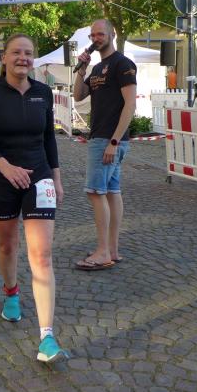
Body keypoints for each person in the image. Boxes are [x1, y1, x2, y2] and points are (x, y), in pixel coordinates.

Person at [0, 33, 69, 363]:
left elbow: (49, 139)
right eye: (16, 52)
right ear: (4, 57)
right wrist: (6, 167)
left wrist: (56, 178)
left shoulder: (43, 93)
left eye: (28, 53)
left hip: (39, 178)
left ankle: (47, 337)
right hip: (1, 179)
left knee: (41, 255)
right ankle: (11, 292)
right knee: (8, 245)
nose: (22, 58)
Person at [72, 19, 137, 271]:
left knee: (95, 192)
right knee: (111, 192)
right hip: (101, 137)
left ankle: (102, 252)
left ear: (112, 34)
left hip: (107, 140)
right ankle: (112, 249)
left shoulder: (122, 64)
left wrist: (114, 141)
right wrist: (81, 69)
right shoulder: (98, 67)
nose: (96, 38)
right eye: (93, 35)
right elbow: (78, 96)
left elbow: (130, 104)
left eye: (100, 34)